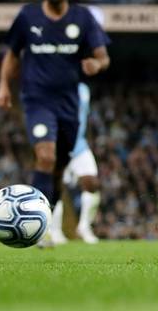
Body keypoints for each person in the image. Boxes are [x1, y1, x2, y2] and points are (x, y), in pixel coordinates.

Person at [0, 0, 110, 244]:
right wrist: (3, 86)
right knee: (45, 156)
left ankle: (45, 218)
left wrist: (96, 64)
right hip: (37, 100)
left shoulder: (82, 18)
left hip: (68, 103)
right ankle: (40, 229)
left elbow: (103, 56)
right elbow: (11, 54)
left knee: (58, 169)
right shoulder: (27, 16)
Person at [50, 82, 102, 245]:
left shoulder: (84, 89)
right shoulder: (54, 88)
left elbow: (83, 118)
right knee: (56, 188)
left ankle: (84, 226)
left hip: (79, 145)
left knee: (92, 183)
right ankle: (55, 231)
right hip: (60, 145)